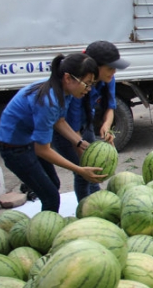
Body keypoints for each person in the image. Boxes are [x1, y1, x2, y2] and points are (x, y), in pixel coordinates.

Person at [0, 53, 106, 212]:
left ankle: (44, 222)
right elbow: (42, 149)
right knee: (51, 197)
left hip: (28, 141)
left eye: (91, 85)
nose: (88, 89)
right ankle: (43, 233)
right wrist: (79, 170)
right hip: (14, 150)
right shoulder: (49, 100)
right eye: (87, 84)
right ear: (68, 78)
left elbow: (59, 121)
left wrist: (79, 142)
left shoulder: (63, 91)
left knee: (53, 185)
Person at [52, 41, 129, 202]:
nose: (114, 72)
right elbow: (73, 128)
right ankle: (87, 209)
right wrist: (84, 160)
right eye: (110, 68)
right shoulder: (78, 86)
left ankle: (96, 204)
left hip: (85, 126)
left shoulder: (108, 79)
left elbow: (110, 107)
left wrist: (106, 127)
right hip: (67, 133)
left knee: (92, 174)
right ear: (95, 68)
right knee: (84, 173)